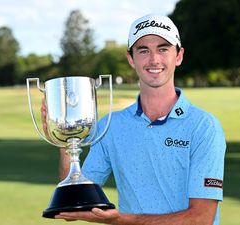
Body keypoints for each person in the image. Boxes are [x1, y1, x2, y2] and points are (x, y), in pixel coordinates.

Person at [52, 14, 226, 225]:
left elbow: (201, 219)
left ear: (179, 56)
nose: (154, 59)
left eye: (163, 49)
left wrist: (121, 220)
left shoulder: (204, 127)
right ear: (131, 58)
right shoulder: (111, 126)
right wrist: (65, 141)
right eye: (144, 50)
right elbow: (75, 198)